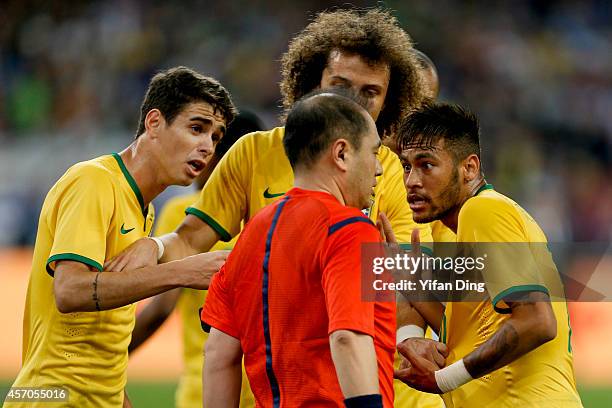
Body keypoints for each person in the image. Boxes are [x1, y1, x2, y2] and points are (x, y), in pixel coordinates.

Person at [105, 10, 438, 405]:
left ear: (389, 99)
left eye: (370, 92)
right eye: (340, 84)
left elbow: (417, 276)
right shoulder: (255, 155)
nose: (353, 101)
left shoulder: (393, 175)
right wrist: (157, 247)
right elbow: (191, 241)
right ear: (312, 82)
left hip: (372, 386)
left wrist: (407, 327)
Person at [5, 67, 236, 407]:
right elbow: (69, 291)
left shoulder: (144, 209)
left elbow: (103, 340)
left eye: (215, 137)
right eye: (197, 128)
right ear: (154, 123)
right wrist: (184, 271)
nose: (207, 147)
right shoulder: (93, 182)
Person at [202, 90, 395, 407]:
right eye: (373, 153)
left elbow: (219, 353)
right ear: (342, 154)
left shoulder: (251, 235)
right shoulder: (349, 229)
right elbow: (348, 337)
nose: (378, 169)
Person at [392, 102, 583, 407]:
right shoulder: (465, 232)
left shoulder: (483, 210)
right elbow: (474, 335)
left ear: (469, 168)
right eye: (406, 166)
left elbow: (537, 321)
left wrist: (443, 379)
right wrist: (413, 288)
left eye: (426, 165)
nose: (412, 181)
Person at [128, 111, 264, 408]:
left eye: (211, 145)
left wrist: (108, 356)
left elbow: (160, 309)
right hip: (267, 391)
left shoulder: (184, 213)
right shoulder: (275, 215)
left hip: (204, 390)